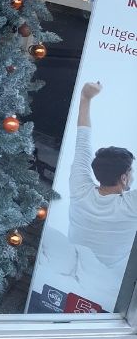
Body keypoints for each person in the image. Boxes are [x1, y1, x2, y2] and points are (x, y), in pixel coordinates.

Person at [69, 81, 137, 268]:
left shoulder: (80, 189)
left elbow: (82, 142)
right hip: (108, 278)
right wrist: (86, 98)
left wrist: (86, 97)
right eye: (131, 171)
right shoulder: (131, 205)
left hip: (71, 265)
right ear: (123, 178)